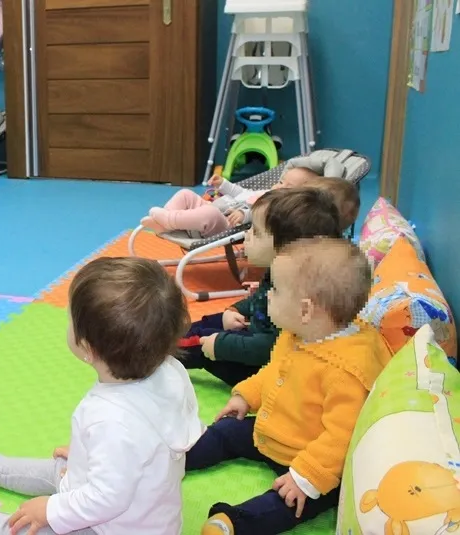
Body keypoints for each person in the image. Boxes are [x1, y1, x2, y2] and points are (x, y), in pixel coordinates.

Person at [0, 257, 204, 535]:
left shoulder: (111, 418)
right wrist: (96, 453)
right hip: (148, 515)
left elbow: (107, 498)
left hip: (108, 528)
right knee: (60, 469)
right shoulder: (170, 371)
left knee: (30, 528)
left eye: (70, 319)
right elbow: (151, 441)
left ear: (88, 349)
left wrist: (51, 510)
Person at [189, 237, 392, 535]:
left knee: (292, 502)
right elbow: (273, 371)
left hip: (312, 459)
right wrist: (246, 395)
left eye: (275, 290)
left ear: (306, 310)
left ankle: (234, 523)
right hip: (276, 431)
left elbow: (342, 436)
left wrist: (305, 475)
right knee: (227, 430)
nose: (265, 294)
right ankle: (175, 458)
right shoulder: (298, 333)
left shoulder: (347, 369)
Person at [180, 188, 342, 386]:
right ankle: (169, 335)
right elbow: (259, 299)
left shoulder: (299, 295)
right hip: (253, 333)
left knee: (203, 340)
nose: (246, 235)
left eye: (255, 232)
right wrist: (236, 309)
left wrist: (222, 345)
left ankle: (158, 352)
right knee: (215, 320)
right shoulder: (280, 272)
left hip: (262, 369)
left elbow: (271, 347)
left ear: (284, 247)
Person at [140, 165, 320, 237]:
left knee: (209, 213)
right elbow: (241, 193)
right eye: (281, 182)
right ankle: (166, 222)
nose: (280, 187)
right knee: (186, 194)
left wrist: (244, 214)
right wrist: (224, 184)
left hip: (224, 224)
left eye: (288, 187)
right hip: (213, 208)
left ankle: (169, 220)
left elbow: (261, 214)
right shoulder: (266, 191)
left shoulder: (278, 205)